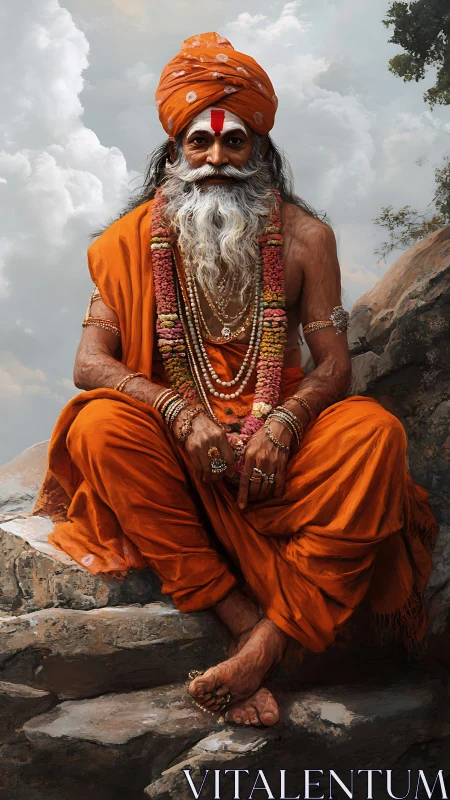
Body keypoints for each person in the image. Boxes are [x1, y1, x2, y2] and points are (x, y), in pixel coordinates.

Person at [33, 32, 438, 728]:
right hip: (180, 451)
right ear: (174, 154)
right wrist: (173, 409)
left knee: (375, 434)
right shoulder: (126, 243)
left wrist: (283, 421)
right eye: (200, 143)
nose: (216, 159)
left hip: (275, 447)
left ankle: (267, 644)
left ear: (260, 153)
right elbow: (91, 365)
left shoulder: (306, 239)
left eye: (234, 143)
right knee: (99, 425)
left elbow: (334, 365)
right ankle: (248, 621)